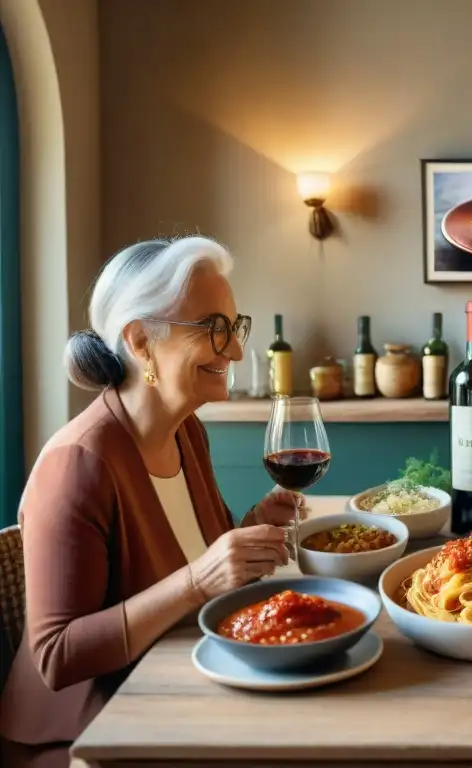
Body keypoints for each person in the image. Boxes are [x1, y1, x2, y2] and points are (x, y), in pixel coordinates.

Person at [0, 237, 297, 768]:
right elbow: (57, 655)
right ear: (140, 342)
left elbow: (201, 563)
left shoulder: (187, 432)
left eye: (235, 327)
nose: (234, 352)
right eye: (214, 329)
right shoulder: (78, 463)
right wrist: (201, 581)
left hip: (179, 689)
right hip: (89, 735)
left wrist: (249, 531)